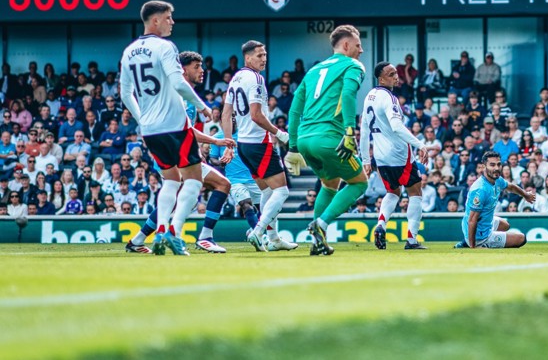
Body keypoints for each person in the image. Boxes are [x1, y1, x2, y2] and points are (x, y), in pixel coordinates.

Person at [119, 1, 213, 256]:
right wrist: (202, 105)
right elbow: (179, 84)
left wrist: (141, 118)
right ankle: (175, 233)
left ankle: (161, 230)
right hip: (174, 124)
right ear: (156, 20)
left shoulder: (129, 51)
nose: (172, 22)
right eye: (169, 17)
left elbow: (125, 93)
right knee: (193, 180)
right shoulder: (165, 47)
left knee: (170, 180)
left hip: (150, 129)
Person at [124, 51, 238, 255]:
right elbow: (183, 129)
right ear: (183, 70)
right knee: (219, 184)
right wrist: (215, 140)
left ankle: (139, 239)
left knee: (177, 194)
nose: (202, 71)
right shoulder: (181, 96)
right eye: (196, 67)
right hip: (174, 152)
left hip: (169, 147)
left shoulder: (180, 93)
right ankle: (201, 237)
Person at [283, 25, 369, 256]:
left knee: (330, 184)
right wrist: (350, 132)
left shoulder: (313, 71)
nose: (361, 50)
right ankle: (321, 224)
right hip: (330, 138)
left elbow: (293, 110)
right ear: (346, 45)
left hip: (305, 140)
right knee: (360, 183)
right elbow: (349, 95)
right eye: (359, 45)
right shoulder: (353, 65)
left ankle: (316, 242)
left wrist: (292, 147)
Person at [219, 41, 291, 252]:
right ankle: (258, 232)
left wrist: (228, 141)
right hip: (260, 143)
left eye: (265, 54)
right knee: (282, 190)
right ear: (248, 58)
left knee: (267, 191)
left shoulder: (235, 79)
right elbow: (257, 115)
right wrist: (280, 134)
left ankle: (274, 238)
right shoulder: (256, 79)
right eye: (259, 55)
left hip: (243, 144)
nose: (264, 59)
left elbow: (225, 113)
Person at [360, 62, 432, 250]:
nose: (396, 77)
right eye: (391, 74)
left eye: (396, 73)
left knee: (393, 192)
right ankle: (412, 239)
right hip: (399, 153)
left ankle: (381, 224)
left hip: (381, 157)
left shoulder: (369, 97)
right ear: (381, 79)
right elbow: (397, 126)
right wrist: (420, 144)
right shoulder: (389, 98)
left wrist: (366, 159)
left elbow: (364, 129)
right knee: (415, 192)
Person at [457, 151, 535, 249]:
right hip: (479, 235)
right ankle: (474, 243)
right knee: (521, 239)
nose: (497, 168)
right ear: (484, 166)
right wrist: (473, 247)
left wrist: (525, 195)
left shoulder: (497, 179)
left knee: (505, 225)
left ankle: (468, 242)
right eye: (492, 165)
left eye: (498, 164)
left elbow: (510, 187)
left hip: (485, 222)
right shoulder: (480, 189)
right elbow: (472, 220)